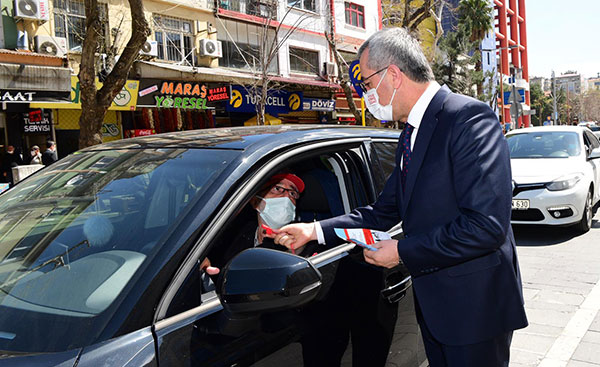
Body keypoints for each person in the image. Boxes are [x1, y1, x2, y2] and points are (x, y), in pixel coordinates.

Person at [272, 28, 528, 367]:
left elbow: (485, 226)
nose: (365, 94)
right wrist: (313, 231)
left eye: (365, 82)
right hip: (436, 308)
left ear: (392, 74)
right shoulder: (411, 132)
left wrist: (402, 252)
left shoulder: (467, 118)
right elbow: (383, 211)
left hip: (474, 309)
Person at [202, 172, 308, 275]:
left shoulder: (300, 241)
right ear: (256, 202)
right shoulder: (236, 232)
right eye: (277, 189)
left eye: (293, 193)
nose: (287, 197)